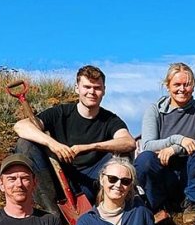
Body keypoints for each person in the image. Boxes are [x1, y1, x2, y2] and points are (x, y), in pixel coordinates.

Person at [14, 65, 136, 211]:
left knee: (123, 152)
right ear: (77, 88)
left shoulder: (110, 120)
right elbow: (20, 126)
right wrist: (53, 144)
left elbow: (128, 142)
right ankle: (50, 211)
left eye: (97, 87)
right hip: (58, 181)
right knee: (25, 144)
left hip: (93, 182)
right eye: (87, 86)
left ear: (104, 90)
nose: (92, 92)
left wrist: (89, 147)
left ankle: (112, 209)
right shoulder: (60, 113)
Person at [134, 62, 195, 225]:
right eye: (177, 84)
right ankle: (159, 207)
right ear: (167, 86)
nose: (182, 89)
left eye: (187, 84)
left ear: (193, 86)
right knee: (144, 160)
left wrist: (174, 149)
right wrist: (178, 139)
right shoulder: (155, 110)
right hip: (164, 173)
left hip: (191, 174)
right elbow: (148, 145)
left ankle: (192, 204)